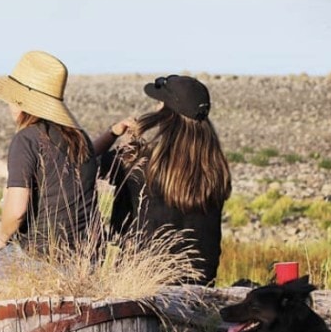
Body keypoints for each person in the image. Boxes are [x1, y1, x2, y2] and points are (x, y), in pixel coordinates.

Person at [0, 50, 100, 281]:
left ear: (21, 102)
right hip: (85, 263)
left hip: (42, 264)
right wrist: (0, 168)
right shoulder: (81, 139)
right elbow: (52, 177)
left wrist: (1, 238)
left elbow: (16, 212)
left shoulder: (26, 139)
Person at [92, 74, 232, 286]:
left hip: (144, 283)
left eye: (159, 104)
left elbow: (84, 164)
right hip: (199, 284)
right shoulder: (215, 171)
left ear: (167, 115)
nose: (155, 108)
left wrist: (113, 133)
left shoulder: (140, 162)